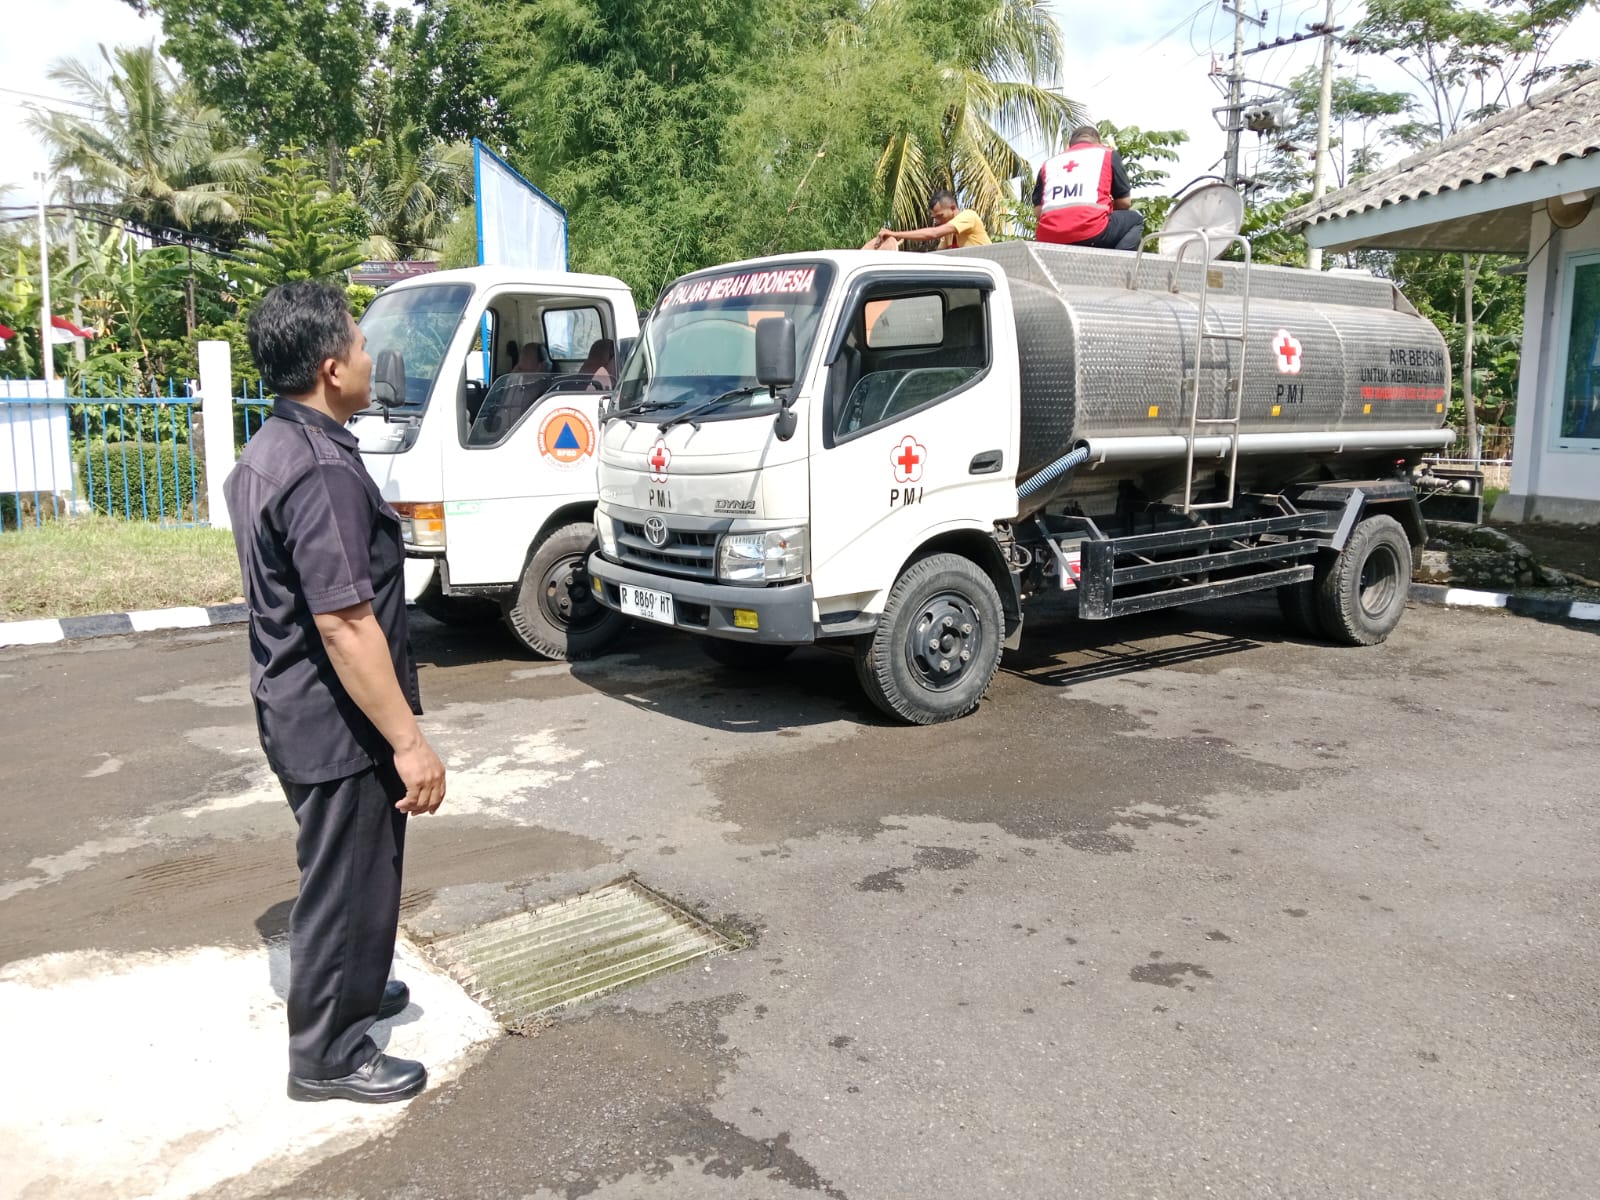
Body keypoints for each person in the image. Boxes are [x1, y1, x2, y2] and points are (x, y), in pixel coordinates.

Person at [224, 282, 447, 1105]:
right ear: (329, 368)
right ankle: (326, 1055)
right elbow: (346, 625)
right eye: (358, 346)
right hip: (335, 721)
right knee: (343, 882)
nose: (367, 359)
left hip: (297, 707)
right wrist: (408, 743)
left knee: (361, 871)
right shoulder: (316, 470)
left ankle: (353, 989)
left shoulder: (274, 448)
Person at [1033, 126, 1144, 251]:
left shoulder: (1048, 164)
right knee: (1136, 219)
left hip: (1048, 237)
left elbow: (1038, 211)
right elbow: (1124, 203)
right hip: (1092, 231)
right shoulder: (1107, 153)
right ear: (1098, 143)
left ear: (1070, 146)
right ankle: (1119, 267)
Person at [874, 191, 992, 250]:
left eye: (940, 216)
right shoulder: (948, 234)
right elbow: (939, 254)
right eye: (935, 218)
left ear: (953, 208)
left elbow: (933, 233)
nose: (937, 221)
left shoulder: (969, 216)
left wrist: (894, 234)